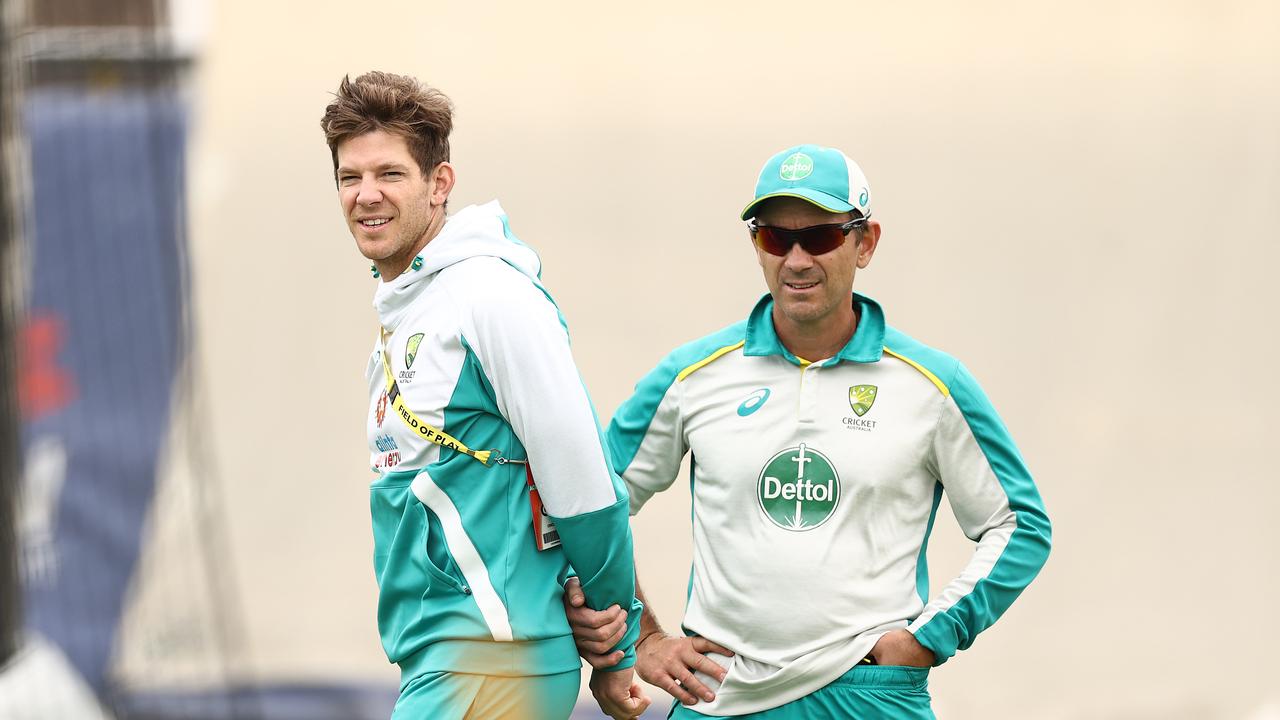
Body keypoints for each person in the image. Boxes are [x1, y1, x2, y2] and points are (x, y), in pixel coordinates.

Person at [565, 144, 1052, 718]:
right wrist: (640, 640)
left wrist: (929, 637)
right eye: (775, 237)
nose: (796, 259)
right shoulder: (691, 375)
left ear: (864, 242)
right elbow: (587, 504)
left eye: (819, 236)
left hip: (869, 693)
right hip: (717, 693)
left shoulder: (933, 385)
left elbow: (1019, 525)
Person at [319, 71, 649, 720]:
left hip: (493, 662)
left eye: (390, 174)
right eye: (349, 177)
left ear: (439, 184)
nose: (366, 195)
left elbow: (581, 479)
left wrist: (618, 646)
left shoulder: (490, 297)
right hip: (449, 663)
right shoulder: (404, 315)